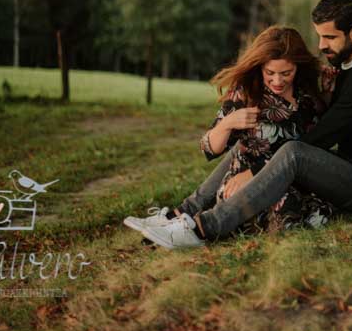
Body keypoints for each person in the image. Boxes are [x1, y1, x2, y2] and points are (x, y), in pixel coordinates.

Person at [133, 0, 352, 248]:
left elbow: (322, 137)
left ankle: (201, 229)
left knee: (294, 153)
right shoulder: (348, 62)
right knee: (249, 144)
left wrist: (254, 173)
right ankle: (180, 214)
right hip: (348, 168)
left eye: (329, 38)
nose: (321, 45)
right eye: (319, 36)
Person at [123, 26, 334, 244]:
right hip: (244, 181)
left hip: (295, 178)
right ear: (260, 66)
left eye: (286, 73)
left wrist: (326, 95)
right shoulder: (248, 91)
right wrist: (227, 124)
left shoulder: (308, 90)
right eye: (270, 73)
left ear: (297, 67)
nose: (278, 81)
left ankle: (183, 223)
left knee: (305, 210)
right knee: (276, 206)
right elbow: (208, 148)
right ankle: (184, 226)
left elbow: (317, 136)